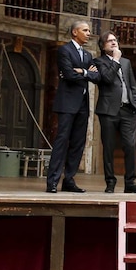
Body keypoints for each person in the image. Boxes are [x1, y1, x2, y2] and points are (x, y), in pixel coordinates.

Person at [46, 20, 99, 193]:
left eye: (89, 30)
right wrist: (87, 73)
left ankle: (69, 179)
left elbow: (96, 77)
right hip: (67, 103)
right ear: (75, 32)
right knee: (61, 141)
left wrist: (82, 72)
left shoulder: (88, 55)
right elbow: (68, 75)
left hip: (83, 105)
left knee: (78, 143)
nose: (89, 33)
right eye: (85, 30)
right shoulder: (64, 50)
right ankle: (52, 181)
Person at [92, 31, 136, 194]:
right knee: (108, 147)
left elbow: (132, 85)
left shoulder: (126, 62)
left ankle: (130, 182)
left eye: (115, 40)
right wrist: (115, 59)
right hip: (108, 110)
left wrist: (134, 103)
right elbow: (107, 79)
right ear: (102, 46)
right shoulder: (98, 62)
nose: (114, 43)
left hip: (127, 110)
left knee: (130, 145)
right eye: (109, 41)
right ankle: (110, 182)